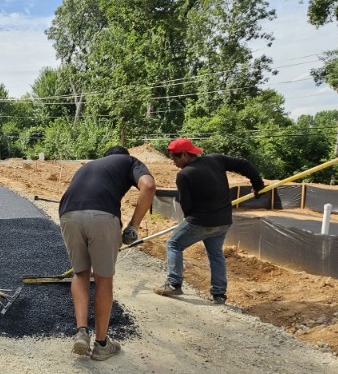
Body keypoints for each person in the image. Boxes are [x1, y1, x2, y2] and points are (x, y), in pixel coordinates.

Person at [59, 145, 156, 361]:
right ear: (123, 156)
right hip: (102, 216)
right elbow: (148, 186)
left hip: (68, 213)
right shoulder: (130, 162)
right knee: (103, 279)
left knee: (80, 273)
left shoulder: (89, 165)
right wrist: (133, 226)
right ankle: (102, 344)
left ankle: (81, 331)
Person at [154, 138, 264, 305]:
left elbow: (186, 205)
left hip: (200, 221)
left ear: (184, 154)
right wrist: (258, 184)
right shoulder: (216, 160)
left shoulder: (184, 175)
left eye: (175, 158)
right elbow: (244, 164)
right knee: (216, 254)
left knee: (174, 244)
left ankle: (174, 283)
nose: (173, 162)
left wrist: (192, 221)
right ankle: (219, 294)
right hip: (223, 221)